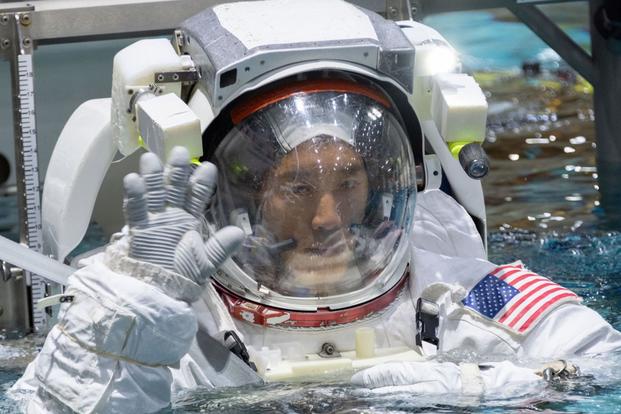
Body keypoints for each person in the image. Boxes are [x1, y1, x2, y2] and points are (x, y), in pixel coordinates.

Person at [9, 76, 621, 413]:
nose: (329, 217)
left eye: (348, 182)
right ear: (238, 196)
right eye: (297, 188)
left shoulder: (455, 293)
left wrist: (463, 388)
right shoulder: (170, 321)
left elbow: (604, 369)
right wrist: (131, 312)